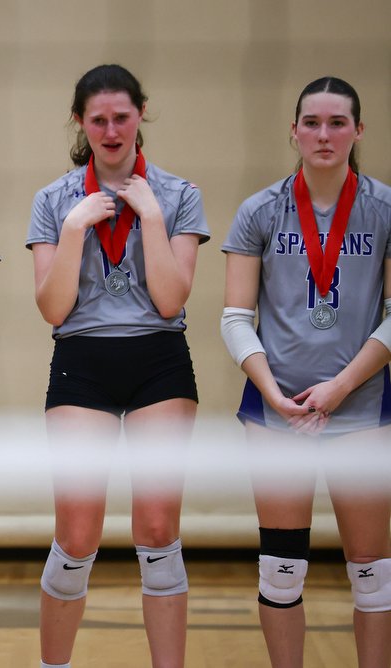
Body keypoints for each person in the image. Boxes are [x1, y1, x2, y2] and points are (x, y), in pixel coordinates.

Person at [27, 64, 209, 668]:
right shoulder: (53, 200)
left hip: (158, 357)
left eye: (121, 117)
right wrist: (77, 226)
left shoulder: (180, 195)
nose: (110, 131)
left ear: (141, 115)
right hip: (82, 358)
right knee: (78, 535)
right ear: (80, 122)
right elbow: (53, 309)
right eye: (97, 119)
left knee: (157, 530)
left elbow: (170, 300)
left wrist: (150, 216)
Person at [221, 76, 391, 668]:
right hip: (277, 412)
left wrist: (340, 388)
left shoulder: (385, 208)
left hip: (363, 409)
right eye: (312, 123)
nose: (324, 134)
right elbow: (236, 318)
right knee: (282, 569)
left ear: (358, 131)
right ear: (293, 131)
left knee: (373, 576)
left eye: (337, 123)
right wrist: (276, 394)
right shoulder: (258, 211)